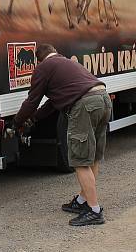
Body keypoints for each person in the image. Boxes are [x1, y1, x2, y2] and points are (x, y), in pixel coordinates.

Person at [11, 43, 112, 226]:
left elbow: (32, 101)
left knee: (80, 160)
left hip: (84, 105)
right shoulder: (65, 63)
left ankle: (94, 210)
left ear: (38, 60)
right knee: (94, 156)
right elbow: (52, 103)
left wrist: (16, 123)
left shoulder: (43, 68)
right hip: (103, 98)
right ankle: (82, 201)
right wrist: (34, 119)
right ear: (55, 52)